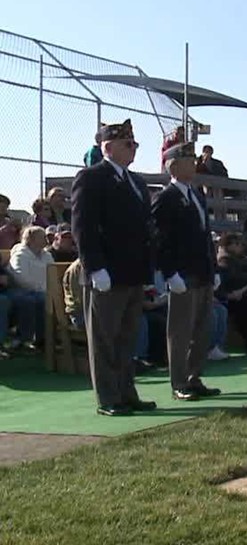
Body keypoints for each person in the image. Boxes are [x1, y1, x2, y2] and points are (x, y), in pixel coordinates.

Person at [70, 119, 157, 417]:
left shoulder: (136, 181)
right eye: (127, 144)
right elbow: (83, 226)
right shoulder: (91, 177)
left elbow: (144, 229)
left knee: (126, 337)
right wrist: (95, 267)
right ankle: (108, 397)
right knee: (105, 338)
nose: (133, 149)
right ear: (107, 147)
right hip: (107, 271)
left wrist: (147, 273)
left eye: (134, 144)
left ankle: (126, 392)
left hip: (132, 272)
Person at [152, 141, 222, 402]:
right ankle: (179, 382)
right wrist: (170, 273)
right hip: (182, 273)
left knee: (202, 328)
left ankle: (194, 377)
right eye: (187, 161)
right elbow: (161, 239)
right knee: (180, 331)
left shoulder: (196, 195)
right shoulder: (166, 198)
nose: (193, 165)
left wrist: (213, 267)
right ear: (173, 166)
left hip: (202, 271)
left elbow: (204, 236)